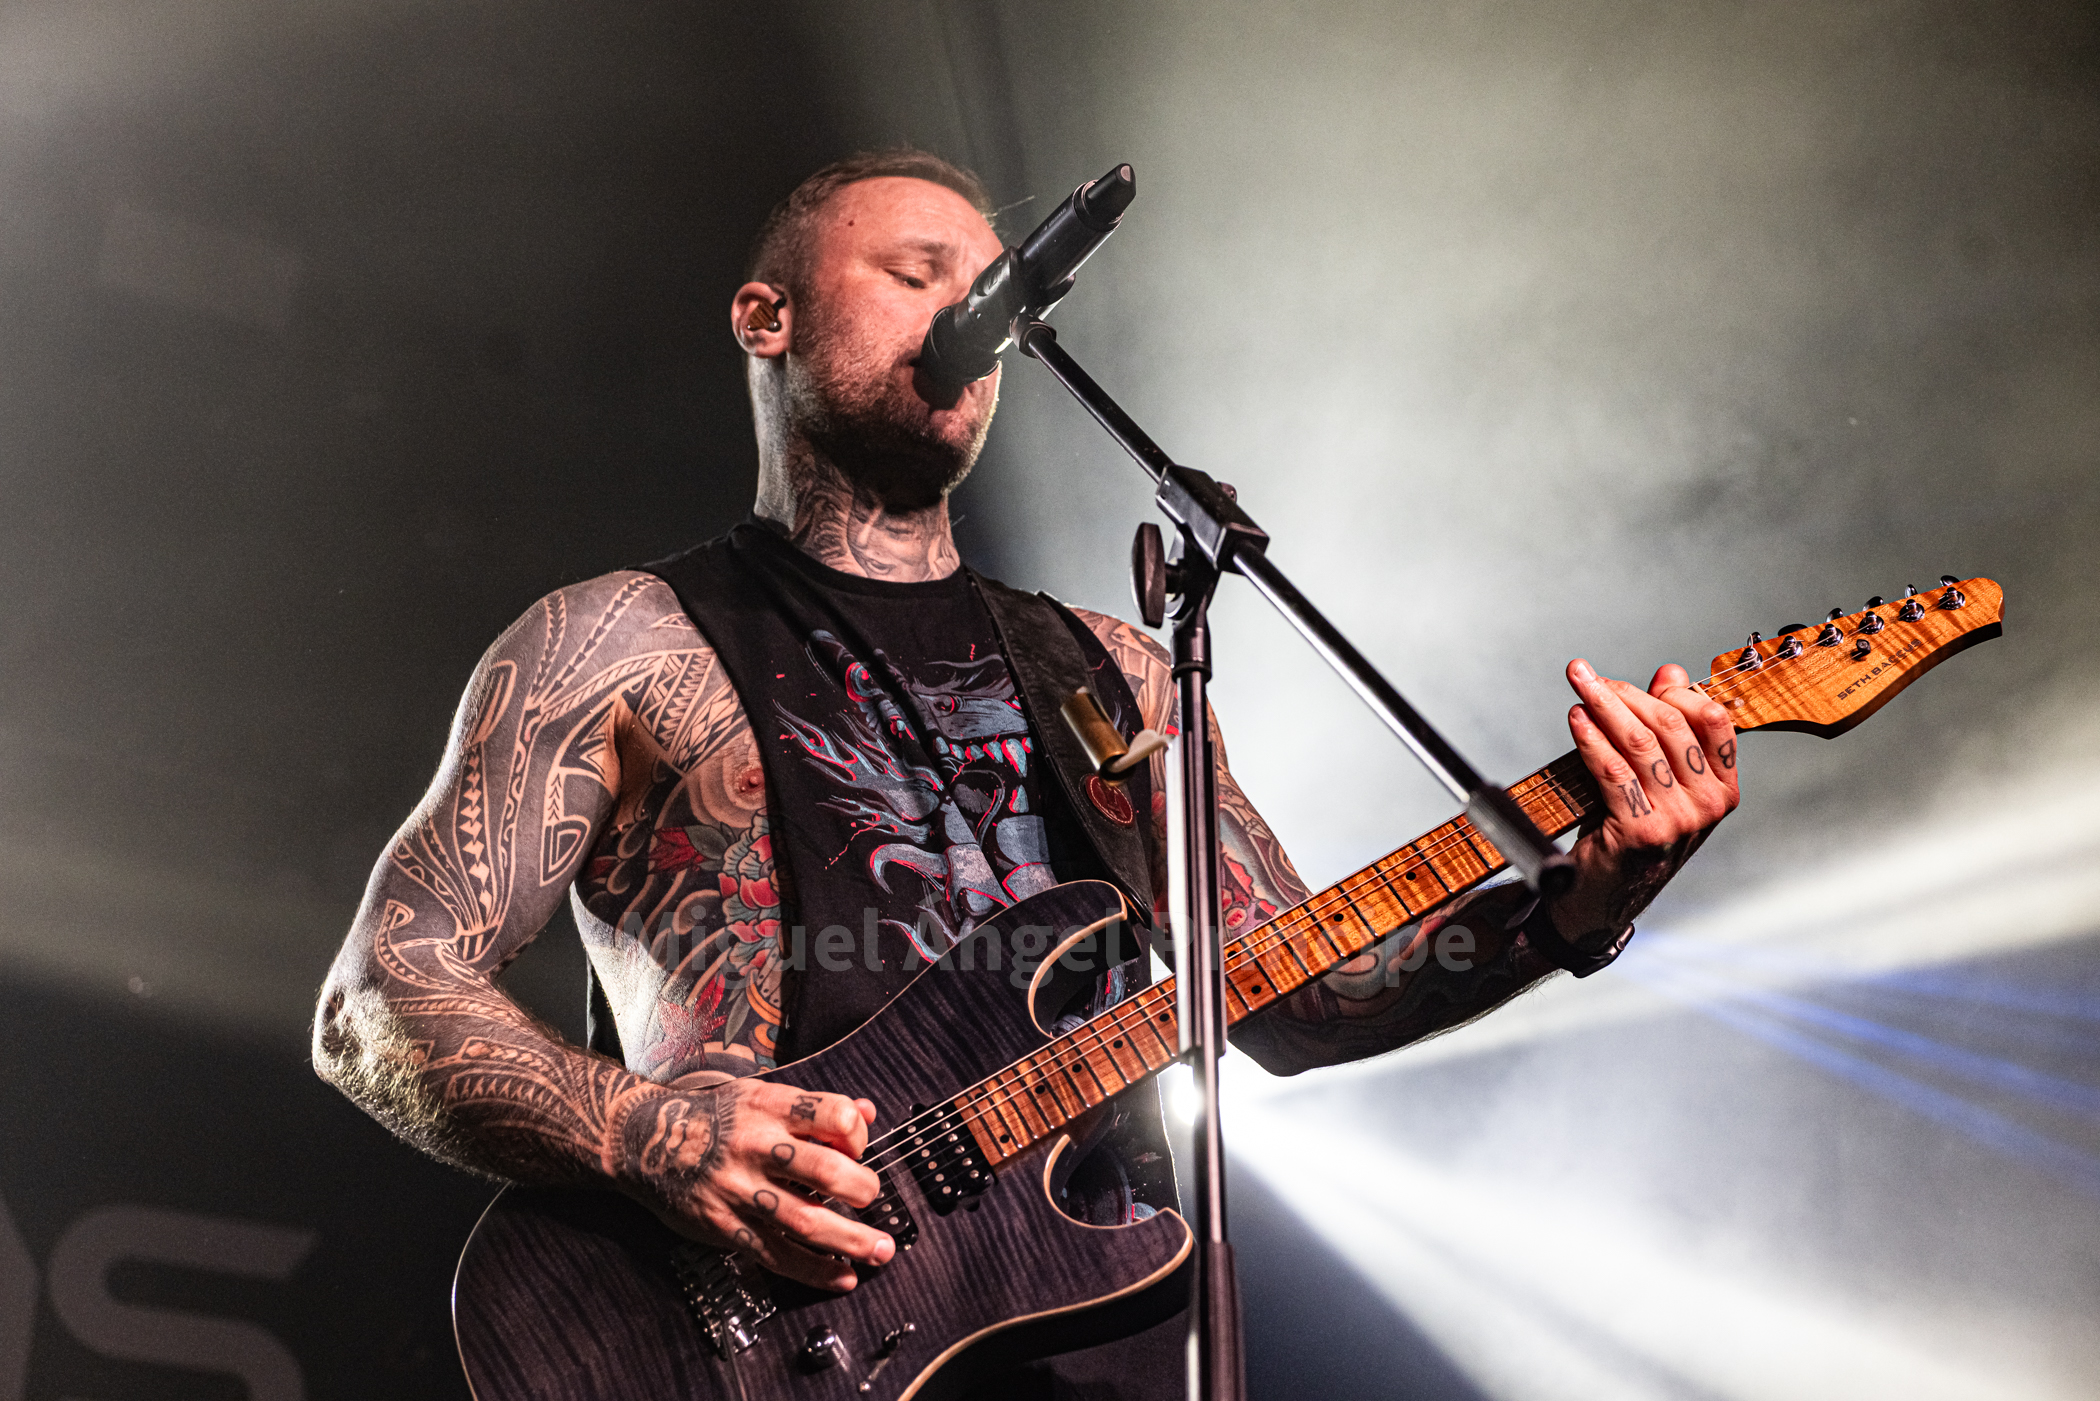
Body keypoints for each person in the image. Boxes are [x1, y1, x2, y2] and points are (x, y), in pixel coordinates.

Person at [312, 148, 1740, 1398]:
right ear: (767, 317)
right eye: (916, 272)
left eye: (993, 288)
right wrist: (646, 1132)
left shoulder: (1111, 672)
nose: (970, 311)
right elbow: (378, 998)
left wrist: (1581, 903)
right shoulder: (619, 641)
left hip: (1105, 1343)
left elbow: (1303, 999)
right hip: (754, 1345)